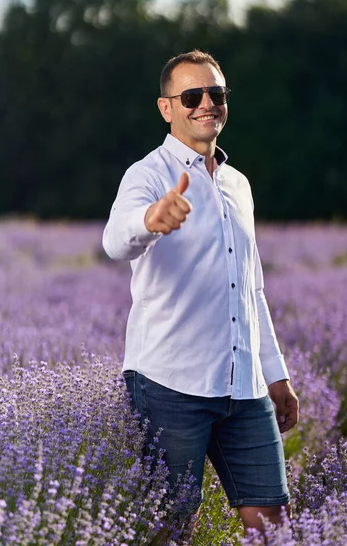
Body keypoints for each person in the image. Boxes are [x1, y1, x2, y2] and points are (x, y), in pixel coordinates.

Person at [102, 49, 299, 540]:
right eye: (192, 95)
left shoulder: (238, 184)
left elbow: (251, 289)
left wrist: (275, 375)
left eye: (216, 93)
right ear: (166, 107)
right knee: (171, 526)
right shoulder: (147, 176)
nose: (206, 104)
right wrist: (151, 220)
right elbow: (114, 239)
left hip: (245, 387)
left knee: (272, 522)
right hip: (171, 384)